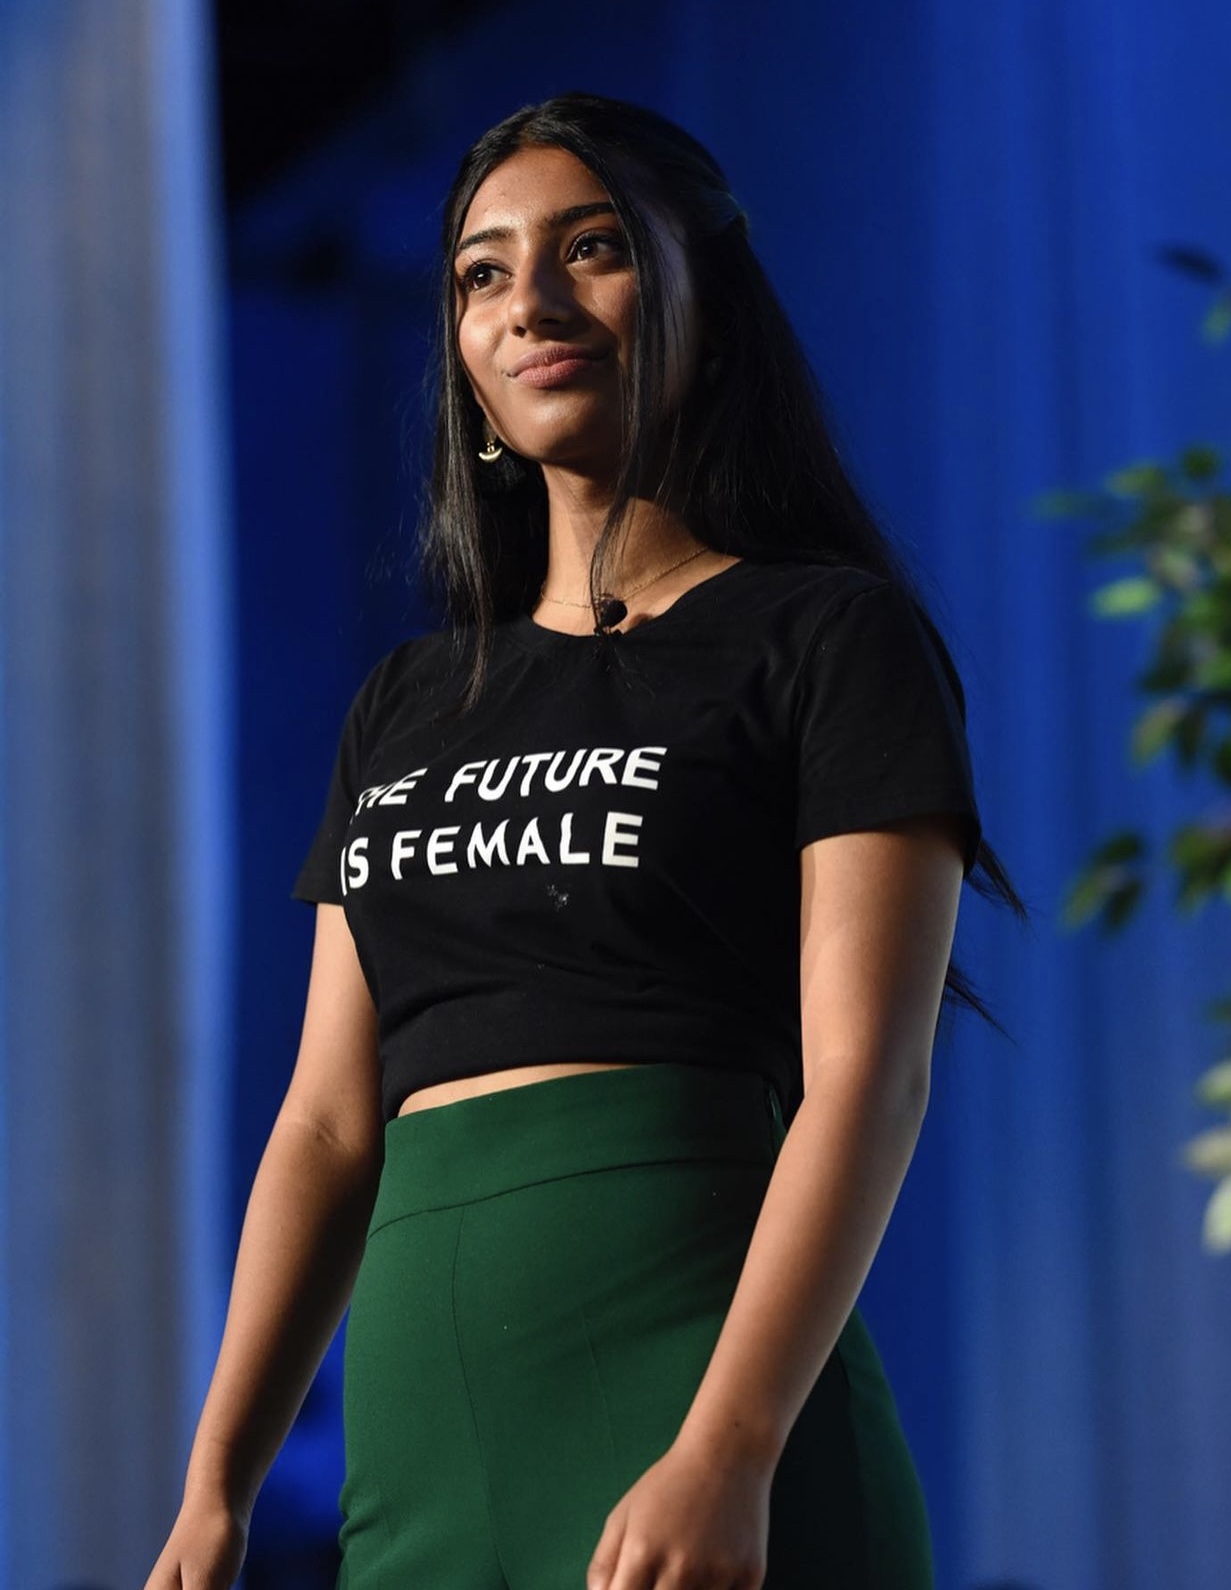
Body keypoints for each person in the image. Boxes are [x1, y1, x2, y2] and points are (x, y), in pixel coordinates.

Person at [145, 92, 1019, 1590]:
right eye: (482, 273)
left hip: (697, 1425)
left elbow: (871, 1076)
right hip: (417, 1467)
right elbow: (326, 1124)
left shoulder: (823, 638)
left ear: (708, 303)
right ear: (465, 370)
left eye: (592, 249)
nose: (530, 302)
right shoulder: (408, 701)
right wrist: (213, 1486)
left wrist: (729, 1447)